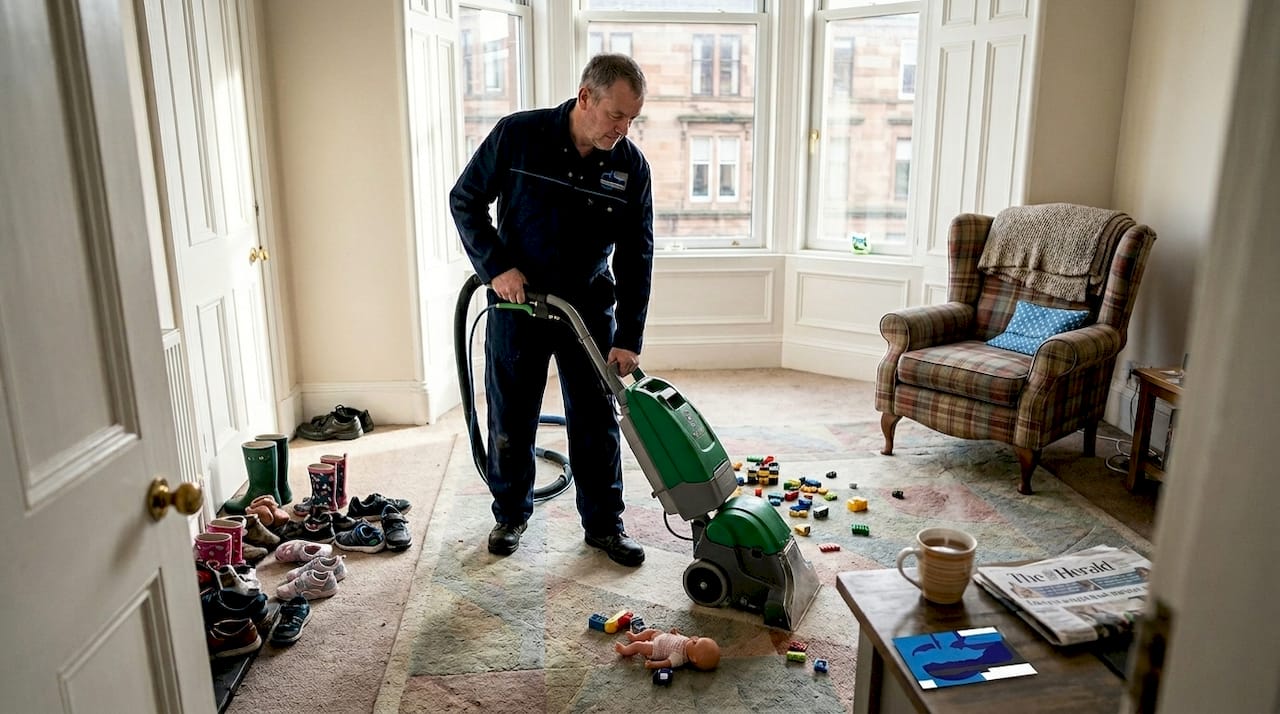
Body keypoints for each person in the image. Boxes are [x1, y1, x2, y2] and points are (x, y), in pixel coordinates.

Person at [449, 54, 654, 566]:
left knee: (596, 419)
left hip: (586, 310)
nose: (623, 129)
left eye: (632, 119)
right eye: (616, 115)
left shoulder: (630, 165)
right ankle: (511, 513)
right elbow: (465, 199)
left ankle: (604, 525)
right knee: (512, 414)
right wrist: (495, 266)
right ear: (586, 96)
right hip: (519, 304)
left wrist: (628, 336)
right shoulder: (519, 135)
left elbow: (637, 254)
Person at [614, 627, 721, 671]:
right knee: (651, 631)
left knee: (638, 645)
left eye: (696, 643)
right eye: (698, 639)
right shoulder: (688, 641)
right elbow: (680, 638)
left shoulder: (679, 658)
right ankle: (635, 636)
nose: (694, 639)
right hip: (662, 637)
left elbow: (666, 663)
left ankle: (625, 650)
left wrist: (653, 665)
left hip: (656, 648)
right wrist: (676, 633)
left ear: (693, 659)